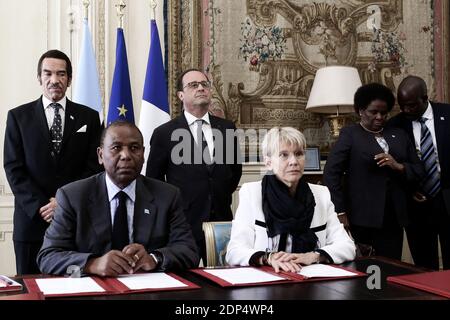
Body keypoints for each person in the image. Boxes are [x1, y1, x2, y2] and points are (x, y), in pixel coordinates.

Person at [37, 121, 199, 276]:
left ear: (143, 155)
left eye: (134, 148)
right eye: (116, 147)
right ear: (100, 155)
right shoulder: (72, 195)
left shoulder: (167, 195)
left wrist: (154, 259)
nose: (126, 155)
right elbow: (48, 257)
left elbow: (188, 250)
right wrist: (92, 264)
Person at [3, 50, 102, 275]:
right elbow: (13, 168)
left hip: (75, 222)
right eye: (48, 73)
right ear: (39, 77)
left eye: (61, 74)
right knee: (31, 288)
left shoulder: (89, 117)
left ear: (69, 79)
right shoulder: (18, 117)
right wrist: (42, 206)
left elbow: (94, 167)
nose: (54, 80)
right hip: (31, 224)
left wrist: (63, 202)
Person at [226, 127, 355, 272]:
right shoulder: (252, 193)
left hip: (310, 280)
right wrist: (268, 257)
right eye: (284, 155)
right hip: (267, 281)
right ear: (268, 162)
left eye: (299, 154)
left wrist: (314, 256)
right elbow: (234, 251)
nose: (293, 161)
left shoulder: (321, 194)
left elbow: (347, 246)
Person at [146, 68, 242, 262]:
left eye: (204, 84)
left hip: (221, 221)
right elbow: (154, 181)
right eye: (193, 85)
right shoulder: (164, 133)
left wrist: (217, 194)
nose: (200, 88)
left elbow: (234, 172)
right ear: (181, 95)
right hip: (183, 223)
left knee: (223, 284)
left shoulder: (227, 128)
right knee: (185, 283)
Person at [323, 83, 424, 260]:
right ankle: (371, 289)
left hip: (393, 217)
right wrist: (339, 211)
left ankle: (384, 289)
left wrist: (398, 166)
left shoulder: (399, 135)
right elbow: (331, 173)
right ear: (361, 111)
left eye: (384, 113)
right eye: (374, 112)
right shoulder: (350, 134)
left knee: (390, 266)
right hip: (361, 217)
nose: (380, 117)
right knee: (366, 269)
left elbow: (418, 170)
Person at [388, 75, 450, 270]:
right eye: (402, 105)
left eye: (412, 105)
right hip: (417, 205)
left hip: (447, 197)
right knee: (424, 266)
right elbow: (394, 169)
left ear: (425, 98)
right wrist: (410, 189)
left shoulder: (447, 114)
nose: (406, 110)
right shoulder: (394, 125)